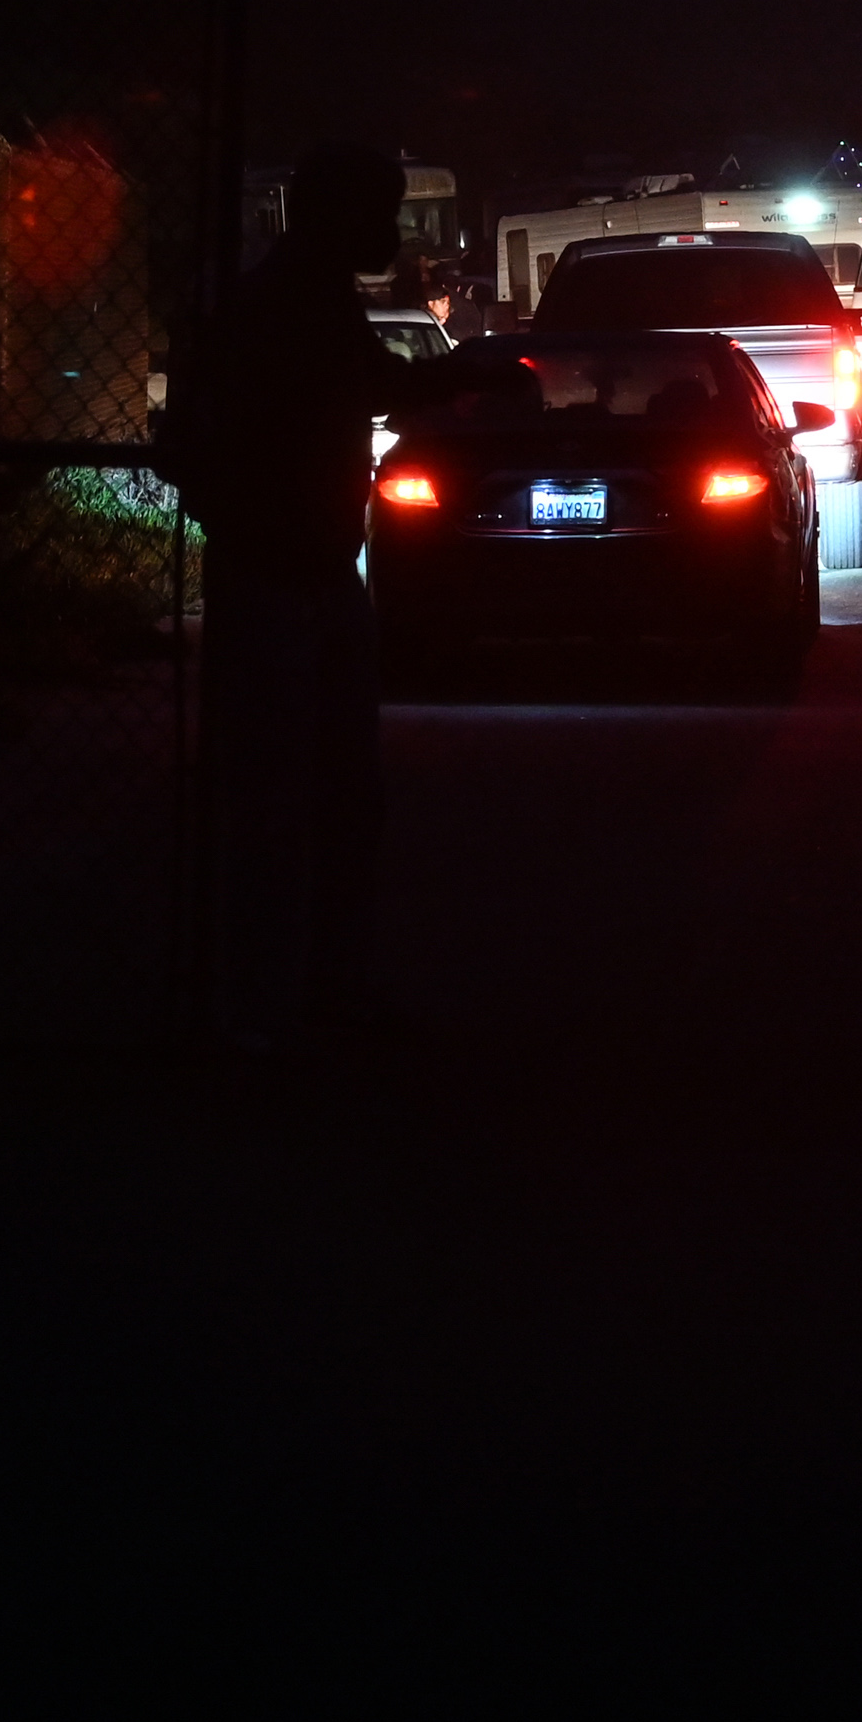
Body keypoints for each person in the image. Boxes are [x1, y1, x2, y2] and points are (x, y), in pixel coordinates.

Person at [170, 143, 495, 1051]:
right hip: (292, 577)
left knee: (299, 796)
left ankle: (284, 989)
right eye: (379, 214)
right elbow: (363, 388)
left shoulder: (290, 294)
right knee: (309, 797)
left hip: (289, 570)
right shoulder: (296, 303)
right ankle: (286, 997)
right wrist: (458, 375)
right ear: (333, 216)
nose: (391, 233)